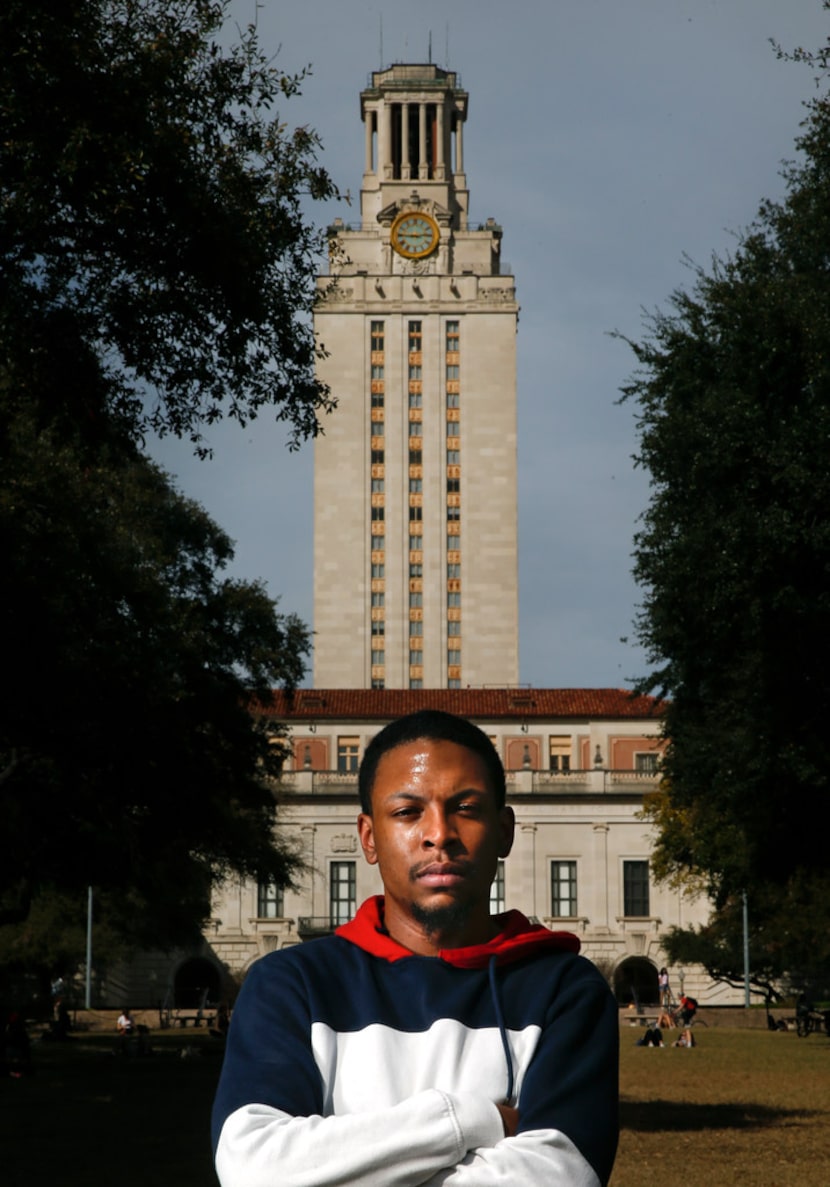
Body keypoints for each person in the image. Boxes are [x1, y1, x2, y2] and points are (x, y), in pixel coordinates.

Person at [212, 709, 619, 1186]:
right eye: (407, 812)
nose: (439, 834)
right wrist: (471, 1121)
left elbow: (561, 1176)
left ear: (505, 831)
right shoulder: (291, 984)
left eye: (466, 808)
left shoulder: (564, 991)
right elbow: (252, 1168)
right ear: (369, 838)